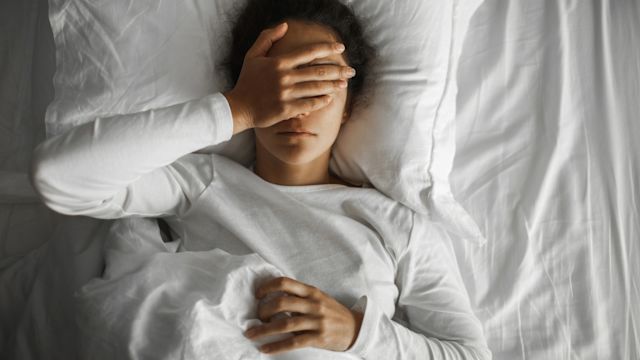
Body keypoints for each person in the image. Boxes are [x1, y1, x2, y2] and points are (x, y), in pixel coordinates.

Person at [30, 0, 491, 358]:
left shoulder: (399, 227)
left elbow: (470, 354)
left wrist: (356, 333)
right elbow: (59, 178)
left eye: (319, 82)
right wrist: (237, 109)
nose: (300, 104)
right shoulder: (204, 185)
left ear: (349, 105)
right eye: (282, 83)